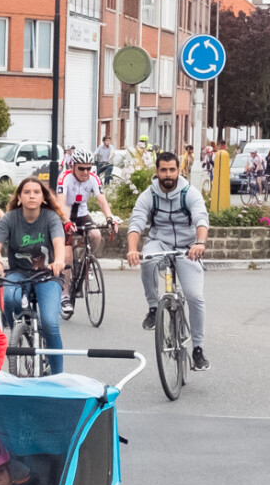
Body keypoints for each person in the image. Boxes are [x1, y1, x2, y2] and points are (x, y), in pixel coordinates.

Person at [126, 149, 211, 371]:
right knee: (147, 260)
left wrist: (200, 243)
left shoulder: (189, 193)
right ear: (157, 171)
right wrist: (132, 250)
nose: (168, 175)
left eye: (172, 170)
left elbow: (201, 219)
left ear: (178, 170)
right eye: (163, 170)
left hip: (187, 247)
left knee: (195, 296)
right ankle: (154, 307)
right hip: (160, 242)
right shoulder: (149, 195)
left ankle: (198, 348)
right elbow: (136, 222)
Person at [0, 175, 67, 366]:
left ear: (43, 197)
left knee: (50, 324)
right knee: (9, 299)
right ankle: (21, 330)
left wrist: (59, 261)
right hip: (19, 273)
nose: (32, 196)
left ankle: (57, 376)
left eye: (36, 192)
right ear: (19, 197)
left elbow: (59, 242)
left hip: (47, 275)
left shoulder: (51, 218)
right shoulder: (10, 218)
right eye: (27, 192)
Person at [57, 149, 116, 254]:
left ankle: (87, 258)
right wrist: (67, 221)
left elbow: (102, 200)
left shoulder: (93, 178)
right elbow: (61, 202)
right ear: (72, 166)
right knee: (67, 258)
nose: (85, 172)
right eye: (81, 168)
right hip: (65, 216)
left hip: (82, 216)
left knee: (96, 235)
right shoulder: (64, 177)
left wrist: (109, 218)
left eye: (88, 168)